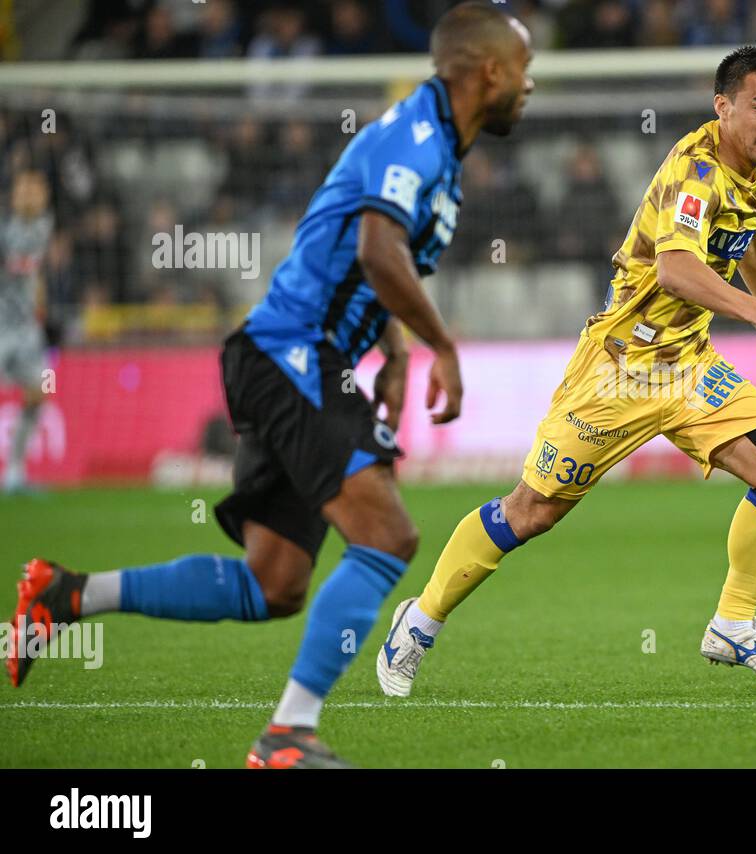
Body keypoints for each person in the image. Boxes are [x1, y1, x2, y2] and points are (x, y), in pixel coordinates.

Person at [8, 1, 534, 768]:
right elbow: (378, 246)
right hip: (291, 351)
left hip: (296, 357)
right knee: (388, 536)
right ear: (489, 70)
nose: (529, 87)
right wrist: (439, 347)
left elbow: (362, 258)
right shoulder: (414, 140)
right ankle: (287, 737)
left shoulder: (437, 151)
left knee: (274, 583)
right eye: (524, 70)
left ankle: (67, 594)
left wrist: (388, 350)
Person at [377, 46, 756, 698]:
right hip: (620, 370)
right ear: (723, 105)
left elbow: (753, 230)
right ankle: (420, 620)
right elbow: (676, 268)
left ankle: (733, 622)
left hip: (687, 367)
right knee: (531, 512)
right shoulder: (695, 176)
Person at [0, 169, 54, 495]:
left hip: (26, 328)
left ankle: (15, 472)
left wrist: (40, 305)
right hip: (1, 323)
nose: (31, 195)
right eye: (25, 189)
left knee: (38, 393)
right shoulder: (6, 231)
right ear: (15, 194)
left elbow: (35, 274)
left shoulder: (44, 227)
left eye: (37, 189)